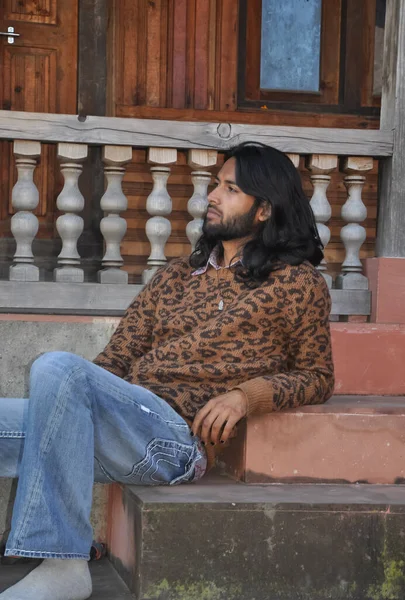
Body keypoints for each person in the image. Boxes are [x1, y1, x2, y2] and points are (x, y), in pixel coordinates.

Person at [0, 142, 334, 600]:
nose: (211, 196)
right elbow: (115, 359)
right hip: (125, 423)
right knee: (51, 385)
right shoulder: (177, 275)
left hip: (175, 441)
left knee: (56, 366)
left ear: (263, 210)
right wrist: (72, 408)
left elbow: (317, 374)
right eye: (215, 184)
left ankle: (61, 565)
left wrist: (245, 396)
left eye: (230, 188)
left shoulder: (297, 284)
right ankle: (58, 545)